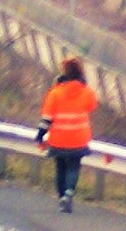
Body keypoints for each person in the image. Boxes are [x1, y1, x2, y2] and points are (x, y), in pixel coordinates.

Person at [38, 57, 98, 212]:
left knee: (60, 168)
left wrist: (40, 135)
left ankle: (61, 198)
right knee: (74, 166)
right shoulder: (85, 92)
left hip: (58, 138)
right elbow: (92, 105)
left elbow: (47, 118)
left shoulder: (55, 92)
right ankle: (69, 193)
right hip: (78, 138)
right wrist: (84, 85)